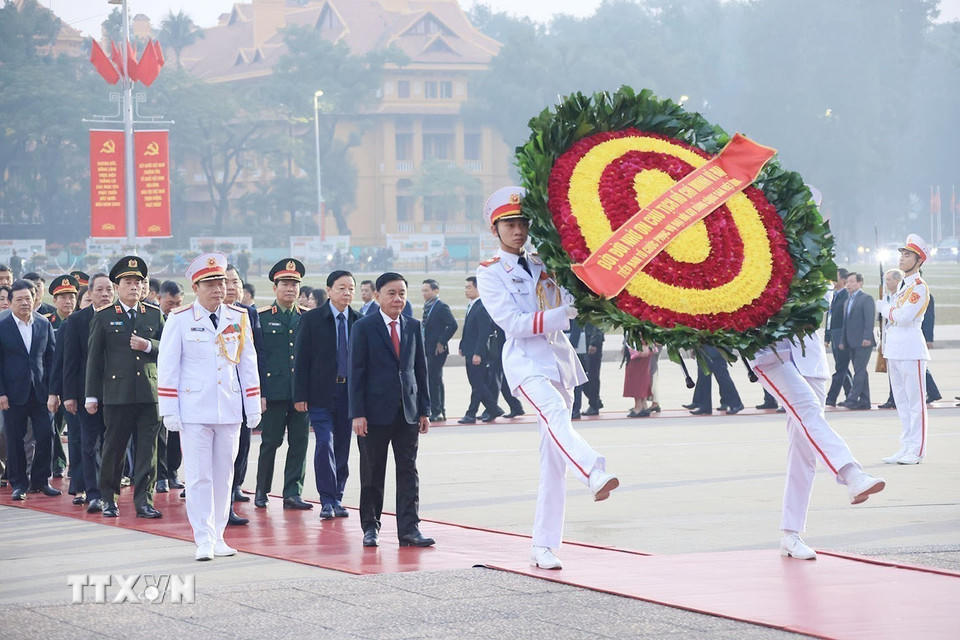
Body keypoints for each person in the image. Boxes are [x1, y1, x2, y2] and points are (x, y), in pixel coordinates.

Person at [476, 186, 618, 570]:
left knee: (554, 456)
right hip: (525, 363)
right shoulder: (489, 273)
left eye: (522, 222)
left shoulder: (543, 263)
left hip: (558, 361)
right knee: (555, 415)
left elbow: (573, 291)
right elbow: (513, 324)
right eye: (509, 224)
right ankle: (594, 470)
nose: (517, 230)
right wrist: (564, 315)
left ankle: (543, 545)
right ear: (495, 230)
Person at [158, 253, 261, 560]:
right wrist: (169, 409)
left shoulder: (237, 317)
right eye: (211, 284)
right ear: (196, 287)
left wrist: (252, 404)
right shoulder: (180, 319)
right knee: (199, 475)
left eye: (222, 283)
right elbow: (168, 367)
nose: (219, 289)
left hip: (228, 409)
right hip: (194, 409)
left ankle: (218, 535)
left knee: (223, 475)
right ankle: (202, 536)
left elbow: (248, 363)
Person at [750, 329, 886, 560]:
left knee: (804, 449)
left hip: (810, 359)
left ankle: (790, 535)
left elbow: (818, 301)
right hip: (770, 352)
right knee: (809, 412)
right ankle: (851, 474)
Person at [349, 272, 434, 548]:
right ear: (377, 296)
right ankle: (370, 527)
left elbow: (420, 370)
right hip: (373, 413)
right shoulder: (364, 327)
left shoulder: (412, 325)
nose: (397, 299)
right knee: (372, 471)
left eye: (402, 293)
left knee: (408, 470)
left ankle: (409, 529)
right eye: (391, 293)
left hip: (407, 412)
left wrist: (424, 409)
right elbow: (356, 372)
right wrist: (357, 413)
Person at [85, 257, 164, 519]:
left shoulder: (153, 313)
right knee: (114, 450)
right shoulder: (105, 316)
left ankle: (144, 501)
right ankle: (109, 498)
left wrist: (149, 345)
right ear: (117, 286)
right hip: (118, 395)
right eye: (128, 282)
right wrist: (91, 395)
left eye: (138, 282)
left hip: (148, 394)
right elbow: (94, 360)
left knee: (147, 452)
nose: (134, 287)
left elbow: (170, 350)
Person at [294, 270, 359, 520]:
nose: (347, 293)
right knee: (324, 444)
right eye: (341, 288)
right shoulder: (312, 320)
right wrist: (299, 394)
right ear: (329, 290)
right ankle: (327, 499)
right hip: (320, 394)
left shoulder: (359, 320)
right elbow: (301, 360)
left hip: (349, 394)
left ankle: (338, 496)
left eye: (350, 288)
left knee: (342, 447)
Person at [254, 259, 312, 510]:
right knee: (270, 443)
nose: (290, 289)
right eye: (285, 284)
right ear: (275, 288)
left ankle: (293, 492)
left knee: (299, 443)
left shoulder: (308, 318)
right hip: (274, 391)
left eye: (294, 285)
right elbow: (256, 357)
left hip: (301, 393)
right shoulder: (262, 317)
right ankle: (261, 490)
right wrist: (260, 394)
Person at [0, 279, 58, 500]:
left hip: (41, 392)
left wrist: (54, 391)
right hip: (12, 394)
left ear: (35, 299)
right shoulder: (2, 326)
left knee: (46, 435)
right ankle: (18, 483)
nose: (25, 303)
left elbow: (51, 358)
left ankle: (40, 481)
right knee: (15, 439)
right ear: (11, 301)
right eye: (20, 299)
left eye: (29, 298)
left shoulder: (43, 324)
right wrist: (1, 392)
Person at [877, 235, 931, 465]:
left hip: (911, 350)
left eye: (908, 255)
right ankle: (906, 445)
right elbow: (895, 317)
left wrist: (886, 309)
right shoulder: (902, 287)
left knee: (916, 403)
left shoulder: (919, 288)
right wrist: (889, 310)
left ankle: (917, 450)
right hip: (895, 350)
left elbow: (903, 317)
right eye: (901, 254)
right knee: (902, 402)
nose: (902, 258)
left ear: (919, 260)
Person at [61, 273, 114, 513]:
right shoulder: (77, 320)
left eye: (109, 290)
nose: (105, 294)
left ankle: (109, 491)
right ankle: (93, 494)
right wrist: (69, 395)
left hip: (116, 393)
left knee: (112, 444)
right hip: (86, 393)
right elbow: (70, 361)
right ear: (90, 293)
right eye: (100, 290)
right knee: (89, 444)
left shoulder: (120, 316)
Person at [223, 264, 261, 525]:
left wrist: (258, 394)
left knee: (243, 442)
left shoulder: (247, 314)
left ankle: (236, 484)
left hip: (241, 390)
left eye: (236, 282)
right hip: (215, 392)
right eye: (226, 282)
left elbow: (255, 357)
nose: (232, 287)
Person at [45, 275, 81, 497]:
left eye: (72, 297)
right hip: (53, 383)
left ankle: (72, 469)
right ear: (55, 300)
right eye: (63, 297)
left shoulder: (81, 320)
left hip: (76, 387)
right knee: (53, 427)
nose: (68, 301)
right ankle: (58, 461)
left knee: (76, 431)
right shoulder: (48, 322)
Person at [458, 276, 502, 424]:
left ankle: (474, 413)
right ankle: (492, 409)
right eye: (465, 287)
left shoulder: (482, 307)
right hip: (469, 351)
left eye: (469, 287)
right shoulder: (472, 305)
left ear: (478, 288)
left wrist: (478, 353)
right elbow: (469, 331)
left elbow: (484, 333)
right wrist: (462, 346)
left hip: (477, 353)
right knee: (477, 384)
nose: (466, 290)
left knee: (477, 384)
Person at [421, 279, 458, 422]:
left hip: (437, 350)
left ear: (435, 291)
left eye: (426, 290)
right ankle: (438, 409)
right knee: (433, 379)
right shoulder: (428, 306)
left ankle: (437, 411)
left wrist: (442, 341)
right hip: (428, 348)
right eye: (423, 290)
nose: (424, 293)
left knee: (434, 380)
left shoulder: (441, 306)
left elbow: (453, 325)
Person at [838, 273, 875, 410]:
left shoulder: (866, 299)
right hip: (851, 341)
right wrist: (842, 340)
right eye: (847, 282)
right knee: (861, 371)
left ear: (860, 283)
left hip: (863, 342)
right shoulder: (848, 301)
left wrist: (866, 337)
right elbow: (845, 323)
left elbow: (869, 320)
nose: (848, 284)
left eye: (852, 281)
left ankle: (852, 399)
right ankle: (865, 401)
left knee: (859, 371)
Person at [686, 346, 744, 415]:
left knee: (723, 378)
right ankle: (704, 406)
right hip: (704, 349)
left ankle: (736, 404)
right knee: (704, 377)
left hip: (717, 349)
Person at [824, 268, 852, 406]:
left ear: (843, 280)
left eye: (835, 278)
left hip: (842, 334)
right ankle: (851, 395)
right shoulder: (835, 295)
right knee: (843, 367)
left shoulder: (846, 295)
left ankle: (831, 397)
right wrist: (827, 336)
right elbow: (830, 317)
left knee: (840, 368)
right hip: (835, 333)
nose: (833, 281)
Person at [487, 321, 525, 418]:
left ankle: (493, 409)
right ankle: (515, 407)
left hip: (502, 349)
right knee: (502, 381)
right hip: (500, 348)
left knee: (498, 381)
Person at [567, 319, 604, 419]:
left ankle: (594, 403)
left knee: (591, 375)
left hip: (590, 342)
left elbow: (598, 323)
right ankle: (595, 401)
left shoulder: (594, 305)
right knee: (585, 375)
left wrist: (594, 342)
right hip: (584, 342)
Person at [623, 341, 657, 417]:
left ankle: (638, 406)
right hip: (644, 347)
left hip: (640, 348)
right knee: (642, 377)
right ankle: (643, 405)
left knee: (636, 377)